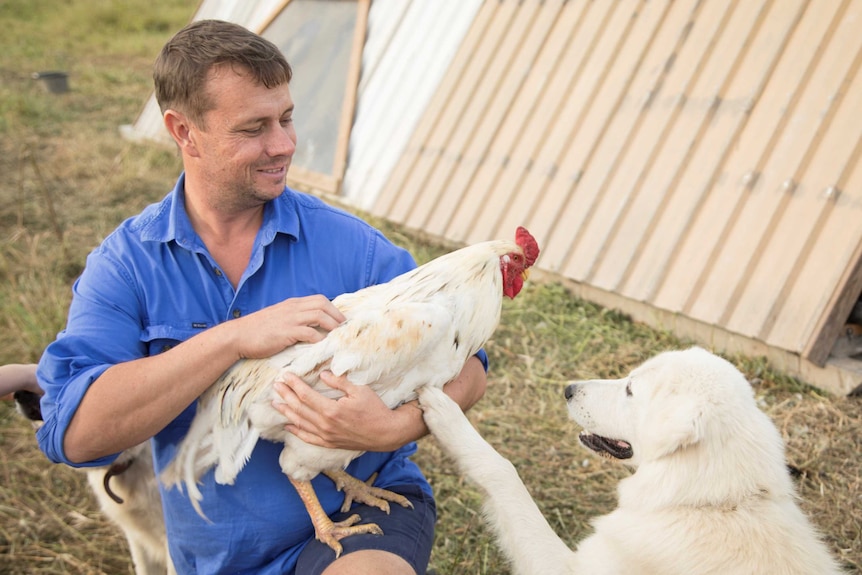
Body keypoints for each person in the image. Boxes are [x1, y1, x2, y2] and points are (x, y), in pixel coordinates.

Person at [35, 19, 487, 575]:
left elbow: (469, 365)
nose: (284, 145)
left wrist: (393, 428)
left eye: (287, 118)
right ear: (183, 131)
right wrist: (230, 342)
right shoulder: (126, 265)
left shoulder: (351, 247)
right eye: (254, 128)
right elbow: (76, 436)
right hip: (218, 549)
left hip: (360, 503)